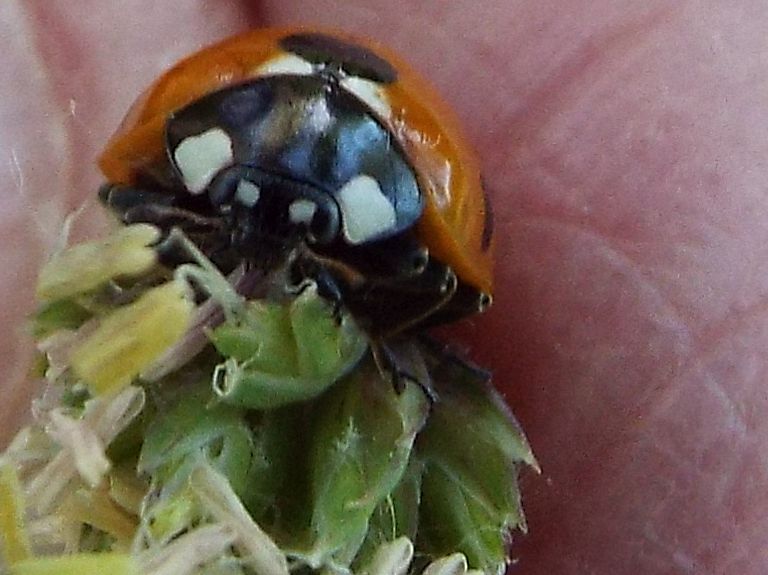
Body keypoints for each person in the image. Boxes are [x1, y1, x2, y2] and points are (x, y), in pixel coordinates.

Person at [1, 2, 762, 573]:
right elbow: (136, 190)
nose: (263, 250)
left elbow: (445, 280)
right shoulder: (223, 134)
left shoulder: (396, 196)